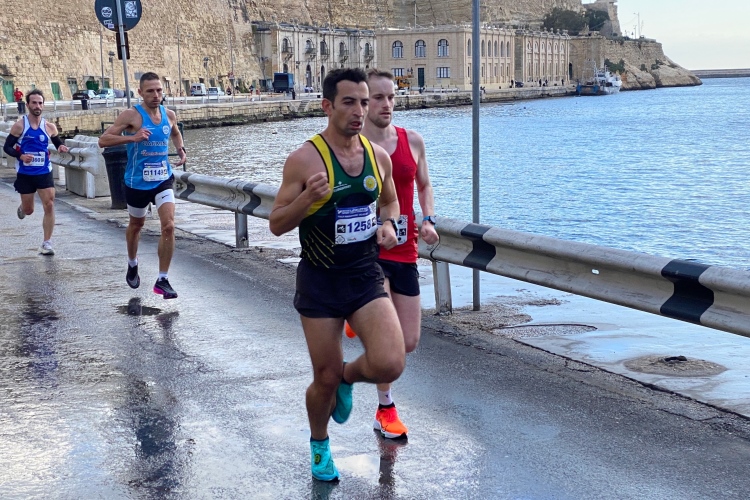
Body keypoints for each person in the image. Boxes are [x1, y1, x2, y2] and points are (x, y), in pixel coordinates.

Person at [269, 67, 406, 482]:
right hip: (320, 279)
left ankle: (349, 376)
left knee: (390, 362)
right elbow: (276, 224)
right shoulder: (305, 159)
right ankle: (319, 445)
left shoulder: (377, 157)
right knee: (323, 378)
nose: (359, 111)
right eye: (349, 102)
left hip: (364, 274)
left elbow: (390, 203)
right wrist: (308, 199)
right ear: (327, 106)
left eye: (364, 102)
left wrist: (388, 224)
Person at [357, 69, 439, 439]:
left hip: (406, 252)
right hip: (368, 256)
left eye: (391, 97)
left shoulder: (413, 141)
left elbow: (424, 185)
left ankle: (355, 344)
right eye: (378, 98)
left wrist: (428, 219)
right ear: (364, 102)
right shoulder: (353, 146)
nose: (386, 104)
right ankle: (385, 408)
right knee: (388, 344)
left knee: (408, 342)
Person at [98, 72, 187, 299]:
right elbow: (103, 140)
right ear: (140, 92)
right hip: (137, 182)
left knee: (169, 226)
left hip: (163, 179)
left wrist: (180, 150)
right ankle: (132, 262)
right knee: (136, 225)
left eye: (159, 90)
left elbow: (175, 133)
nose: (156, 95)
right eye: (150, 91)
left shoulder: (169, 114)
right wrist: (132, 138)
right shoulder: (131, 116)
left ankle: (162, 279)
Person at [3, 89, 69, 255]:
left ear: (43, 105)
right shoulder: (20, 126)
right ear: (28, 105)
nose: (37, 106)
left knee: (50, 204)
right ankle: (23, 207)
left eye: (40, 103)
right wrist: (21, 156)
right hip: (25, 173)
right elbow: (7, 147)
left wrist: (61, 147)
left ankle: (47, 243)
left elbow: (58, 142)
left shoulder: (49, 127)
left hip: (44, 171)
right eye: (34, 103)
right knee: (29, 210)